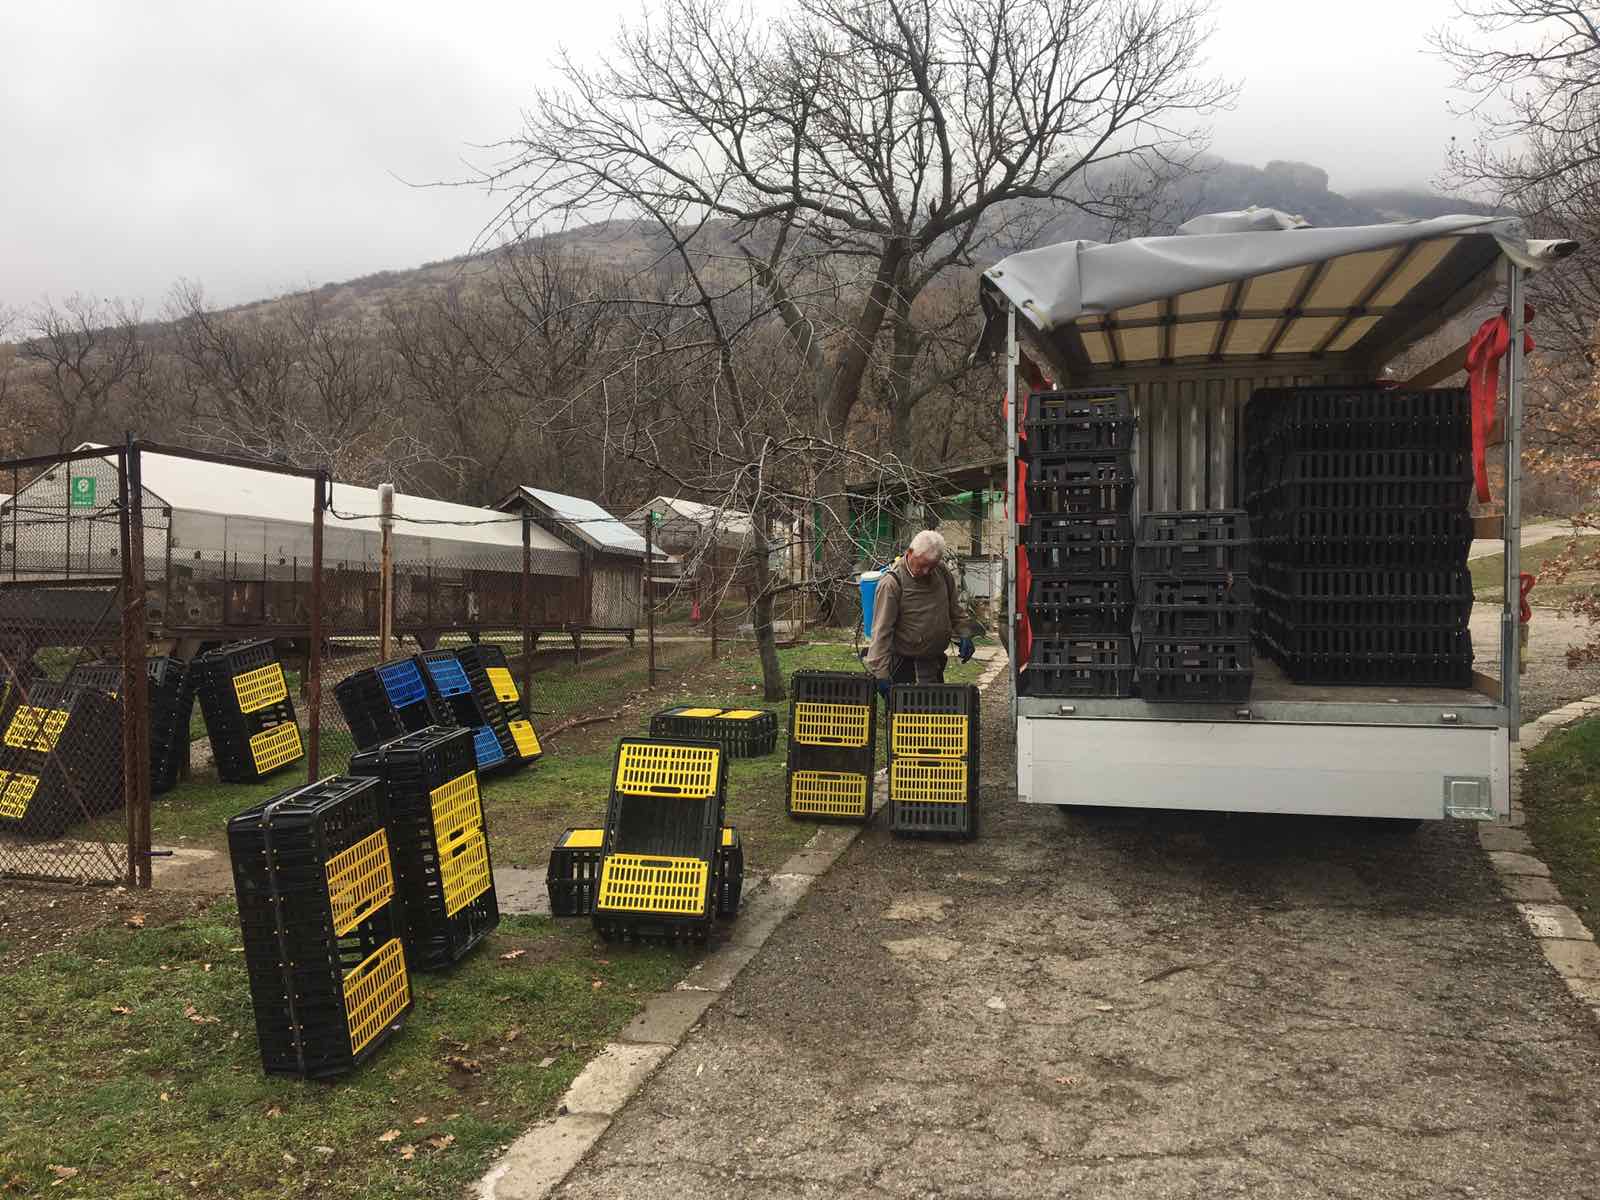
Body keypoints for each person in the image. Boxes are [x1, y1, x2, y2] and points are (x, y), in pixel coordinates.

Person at [863, 529, 977, 700]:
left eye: (931, 566)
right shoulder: (892, 583)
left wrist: (964, 633)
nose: (926, 571)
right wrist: (881, 674)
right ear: (910, 553)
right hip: (905, 668)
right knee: (910, 714)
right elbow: (881, 631)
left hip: (934, 664)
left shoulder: (941, 571)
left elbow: (954, 608)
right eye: (923, 564)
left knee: (934, 712)